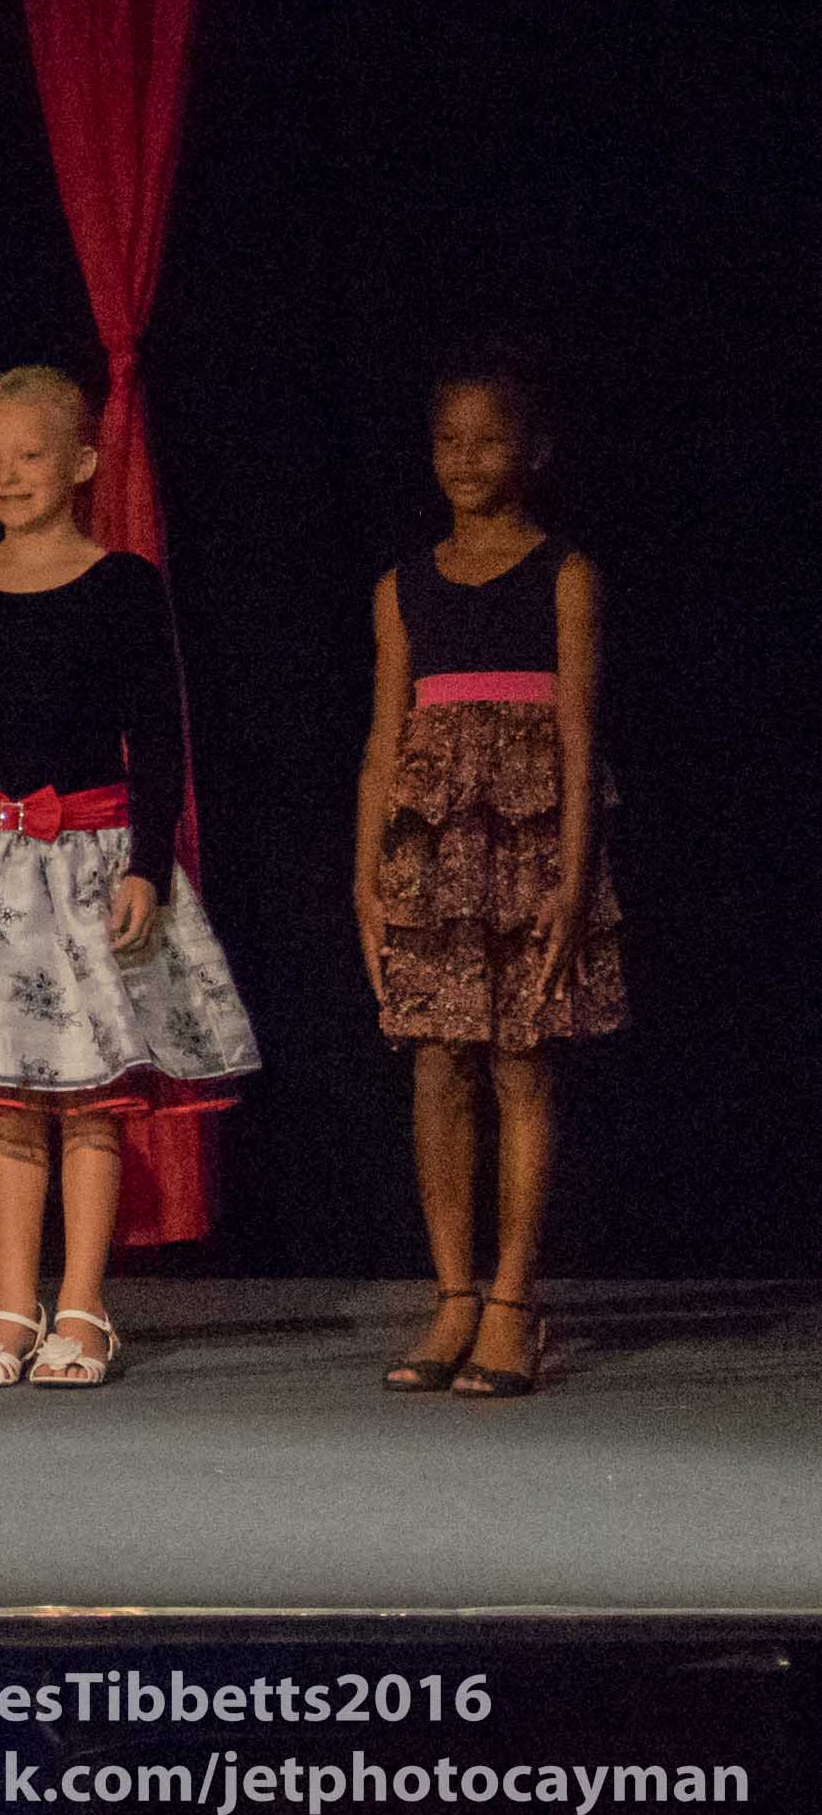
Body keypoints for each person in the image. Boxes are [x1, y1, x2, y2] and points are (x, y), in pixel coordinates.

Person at [0, 365, 260, 1388]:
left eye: (29, 454)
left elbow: (158, 737)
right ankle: (11, 1308)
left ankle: (81, 1307)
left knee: (87, 1096)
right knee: (6, 1098)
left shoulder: (122, 583)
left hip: (84, 862)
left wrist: (147, 866)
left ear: (81, 461)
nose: (7, 474)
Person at [355, 362, 619, 1401]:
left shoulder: (564, 574)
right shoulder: (401, 584)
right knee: (434, 1064)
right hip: (430, 852)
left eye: (488, 440)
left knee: (520, 1063)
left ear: (533, 451)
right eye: (447, 441)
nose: (465, 459)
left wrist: (572, 876)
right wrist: (366, 877)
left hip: (529, 848)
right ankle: (453, 1293)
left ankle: (512, 1298)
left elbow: (578, 737)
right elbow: (382, 740)